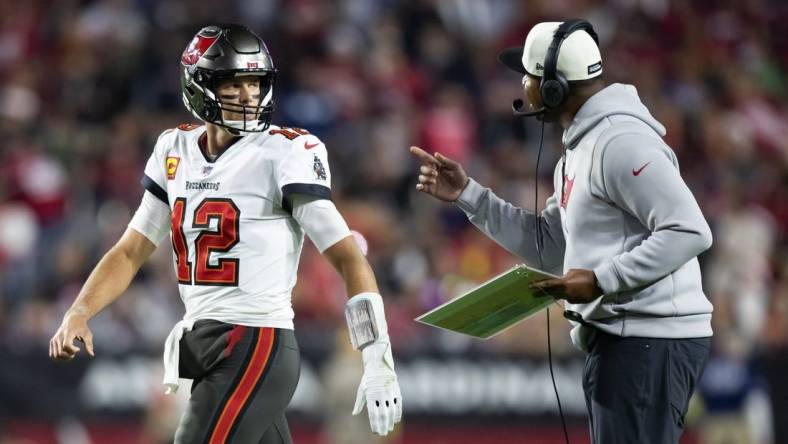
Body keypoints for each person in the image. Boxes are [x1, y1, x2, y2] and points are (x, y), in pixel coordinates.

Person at [49, 24, 402, 443]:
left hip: (254, 341)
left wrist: (376, 353)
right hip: (204, 342)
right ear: (199, 85)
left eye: (255, 83)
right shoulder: (174, 149)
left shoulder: (285, 152)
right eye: (235, 84)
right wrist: (79, 311)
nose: (249, 95)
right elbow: (130, 251)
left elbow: (348, 257)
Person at [410, 19, 713, 444]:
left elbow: (690, 230)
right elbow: (550, 246)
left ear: (554, 86)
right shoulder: (580, 149)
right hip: (622, 339)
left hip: (650, 340)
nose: (524, 84)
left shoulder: (620, 141)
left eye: (529, 75)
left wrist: (602, 280)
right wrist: (470, 196)